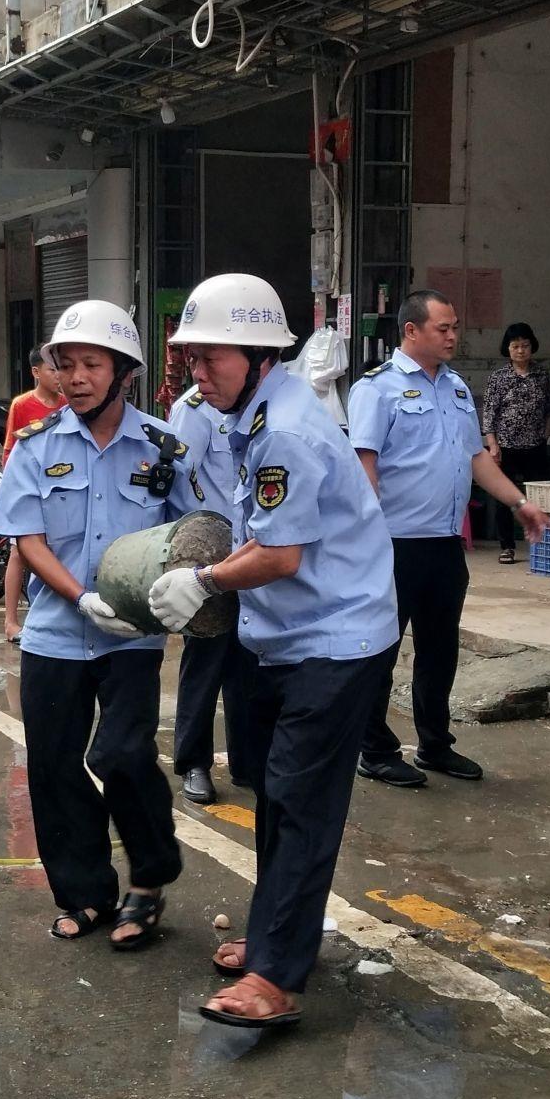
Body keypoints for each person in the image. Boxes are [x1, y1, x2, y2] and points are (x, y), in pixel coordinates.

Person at [147, 273, 398, 1029]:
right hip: (281, 635)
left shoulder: (285, 427)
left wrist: (201, 581)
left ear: (259, 354)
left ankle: (276, 976)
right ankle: (276, 937)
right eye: (192, 360)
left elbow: (279, 555)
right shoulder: (248, 413)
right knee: (269, 789)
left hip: (336, 637)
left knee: (297, 800)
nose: (198, 373)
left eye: (211, 358)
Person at [0, 299, 199, 950]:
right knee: (54, 765)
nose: (76, 377)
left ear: (123, 371)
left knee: (122, 753)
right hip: (58, 631)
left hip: (133, 634)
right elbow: (26, 536)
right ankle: (85, 893)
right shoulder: (36, 445)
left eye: (91, 364)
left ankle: (150, 877)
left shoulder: (162, 447)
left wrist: (187, 589)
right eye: (66, 364)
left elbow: (192, 533)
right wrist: (80, 597)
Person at [345, 289, 550, 789]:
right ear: (411, 331)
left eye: (455, 326)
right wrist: (361, 544)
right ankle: (374, 749)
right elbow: (363, 468)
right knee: (379, 651)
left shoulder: (458, 388)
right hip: (392, 544)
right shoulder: (377, 389)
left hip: (442, 544)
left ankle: (434, 745)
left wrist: (518, 502)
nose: (454, 336)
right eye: (443, 328)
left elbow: (477, 459)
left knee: (440, 651)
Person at [167, 380, 259, 806]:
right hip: (209, 553)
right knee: (205, 660)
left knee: (250, 662)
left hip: (254, 552)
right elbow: (178, 480)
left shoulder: (259, 403)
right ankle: (194, 762)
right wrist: (192, 550)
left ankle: (248, 761)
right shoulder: (196, 408)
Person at [1, 348, 66, 643]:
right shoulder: (22, 405)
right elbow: (10, 451)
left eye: (59, 369)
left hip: (61, 491)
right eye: (52, 370)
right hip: (30, 489)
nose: (58, 376)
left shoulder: (68, 405)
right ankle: (10, 621)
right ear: (36, 373)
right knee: (20, 552)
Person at [480, 322, 550, 564]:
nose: (521, 351)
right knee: (505, 499)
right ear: (508, 349)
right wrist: (492, 445)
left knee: (541, 495)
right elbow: (489, 414)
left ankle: (544, 545)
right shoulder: (499, 378)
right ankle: (507, 547)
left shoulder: (542, 375)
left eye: (525, 346)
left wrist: (545, 434)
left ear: (532, 347)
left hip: (535, 446)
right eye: (515, 346)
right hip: (506, 448)